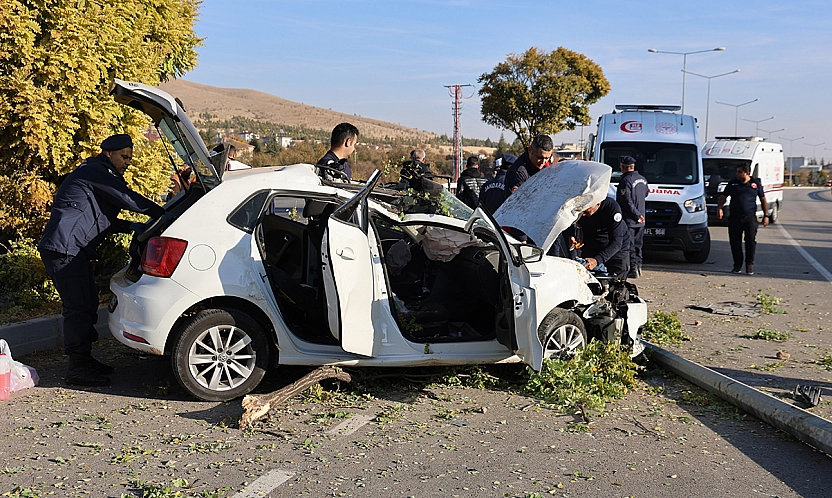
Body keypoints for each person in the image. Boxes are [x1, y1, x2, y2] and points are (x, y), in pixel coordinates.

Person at [38, 134, 166, 386]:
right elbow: (127, 198)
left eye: (130, 157)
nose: (128, 162)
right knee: (78, 308)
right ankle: (77, 368)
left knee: (86, 305)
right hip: (65, 250)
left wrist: (130, 225)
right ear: (109, 153)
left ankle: (84, 360)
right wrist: (164, 214)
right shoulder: (96, 172)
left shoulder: (98, 173)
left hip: (73, 250)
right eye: (124, 156)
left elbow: (98, 219)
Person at [717, 163, 768, 275]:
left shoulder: (755, 184)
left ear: (747, 173)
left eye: (739, 172)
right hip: (734, 218)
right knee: (735, 242)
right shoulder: (733, 183)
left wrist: (766, 215)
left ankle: (749, 264)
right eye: (737, 171)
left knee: (750, 241)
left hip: (750, 218)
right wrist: (719, 208)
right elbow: (723, 196)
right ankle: (737, 265)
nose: (737, 174)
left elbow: (763, 199)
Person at [576, 197, 631, 280]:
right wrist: (571, 236)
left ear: (598, 203)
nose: (583, 215)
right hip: (591, 243)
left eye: (586, 211)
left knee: (617, 282)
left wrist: (597, 260)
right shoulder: (579, 209)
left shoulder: (611, 207)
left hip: (615, 246)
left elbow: (617, 241)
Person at [615, 155, 649, 278]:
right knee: (639, 244)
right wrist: (640, 215)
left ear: (623, 167)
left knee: (630, 245)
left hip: (630, 219)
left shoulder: (625, 181)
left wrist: (635, 214)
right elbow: (646, 193)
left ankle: (633, 269)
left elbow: (626, 201)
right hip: (641, 219)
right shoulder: (643, 179)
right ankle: (639, 266)